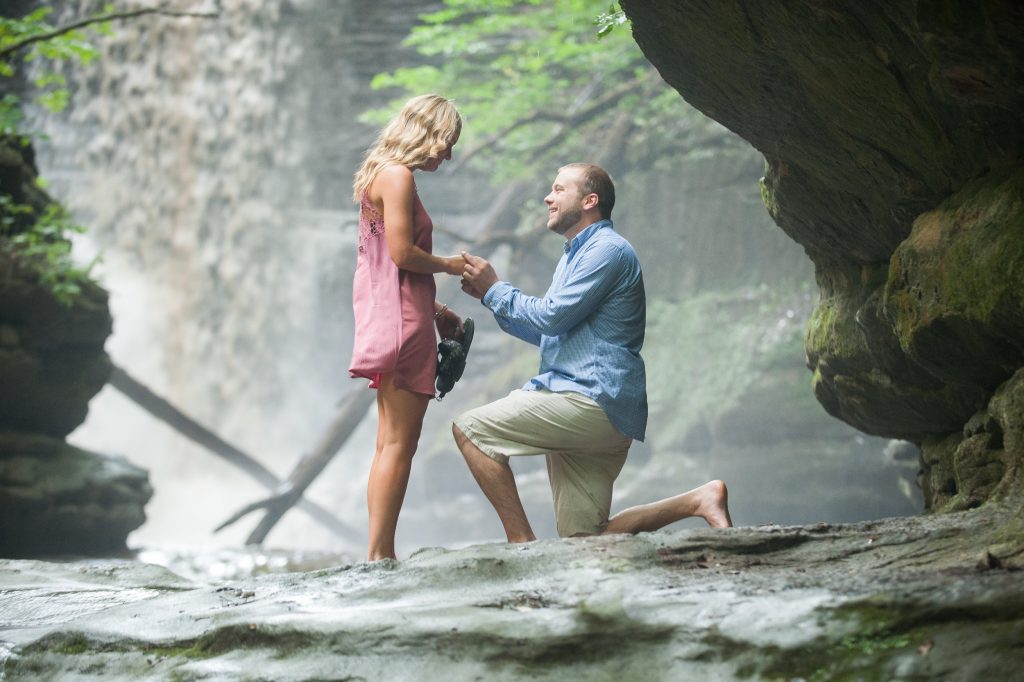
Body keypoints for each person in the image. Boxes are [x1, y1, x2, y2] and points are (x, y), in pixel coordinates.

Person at [454, 162, 732, 542]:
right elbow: (553, 333)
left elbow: (551, 318)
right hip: (596, 406)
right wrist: (490, 296)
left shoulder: (607, 250)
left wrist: (497, 289)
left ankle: (522, 546)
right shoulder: (574, 256)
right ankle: (698, 500)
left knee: (471, 430)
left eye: (558, 189)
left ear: (589, 200)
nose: (547, 198)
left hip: (589, 400)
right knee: (585, 541)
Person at [349, 94, 466, 561]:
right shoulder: (398, 176)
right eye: (446, 141)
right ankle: (381, 556)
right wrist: (453, 265)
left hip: (393, 314)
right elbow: (401, 255)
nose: (448, 154)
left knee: (388, 443)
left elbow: (387, 269)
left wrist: (436, 310)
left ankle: (379, 551)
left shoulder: (381, 173)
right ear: (426, 131)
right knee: (400, 443)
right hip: (402, 324)